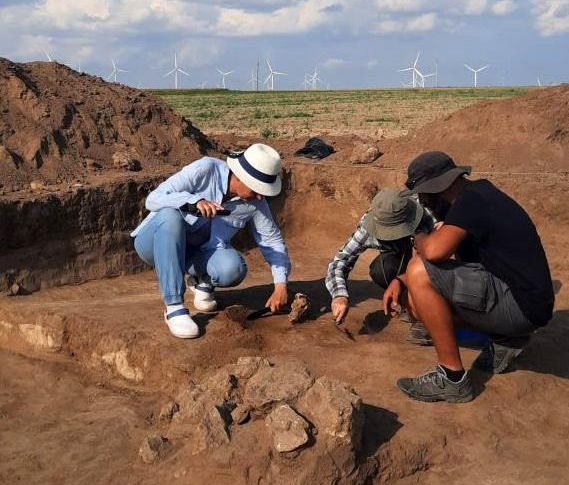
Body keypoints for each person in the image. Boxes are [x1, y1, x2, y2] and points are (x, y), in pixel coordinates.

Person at [384, 151, 554, 403]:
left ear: (436, 186)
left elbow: (433, 252)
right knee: (418, 306)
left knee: (419, 268)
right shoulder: (476, 195)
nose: (421, 199)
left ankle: (451, 378)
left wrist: (419, 238)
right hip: (525, 306)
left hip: (518, 306)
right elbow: (454, 270)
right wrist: (400, 280)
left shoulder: (470, 202)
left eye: (422, 192)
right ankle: (505, 338)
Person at [131, 144, 291, 339]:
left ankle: (202, 281)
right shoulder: (206, 169)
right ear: (241, 177)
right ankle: (174, 306)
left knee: (233, 268)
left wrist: (281, 285)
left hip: (193, 255)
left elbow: (271, 239)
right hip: (153, 244)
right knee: (170, 215)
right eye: (257, 189)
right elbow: (153, 199)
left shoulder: (256, 202)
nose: (260, 196)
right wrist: (193, 202)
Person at [325, 188, 437, 344]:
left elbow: (441, 260)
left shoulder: (427, 215)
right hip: (400, 256)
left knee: (431, 264)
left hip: (432, 257)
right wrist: (340, 295)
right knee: (382, 269)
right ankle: (407, 303)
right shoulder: (368, 227)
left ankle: (428, 313)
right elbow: (339, 261)